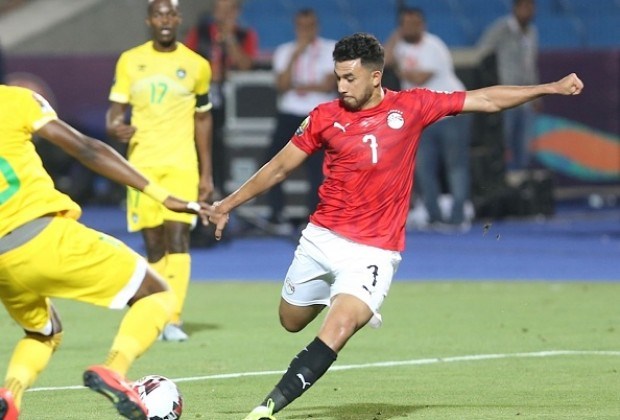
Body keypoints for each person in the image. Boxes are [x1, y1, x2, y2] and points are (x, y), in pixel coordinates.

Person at [205, 32, 583, 420]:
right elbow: (280, 166)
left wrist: (549, 88)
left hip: (374, 251)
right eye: (338, 77)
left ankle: (267, 407)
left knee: (339, 326)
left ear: (375, 77)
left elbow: (485, 99)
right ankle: (343, 295)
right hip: (321, 239)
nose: (341, 86)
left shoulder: (412, 106)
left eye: (349, 78)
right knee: (291, 321)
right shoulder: (324, 117)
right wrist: (227, 204)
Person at [0, 84, 207, 420]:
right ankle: (115, 371)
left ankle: (10, 394)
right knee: (157, 293)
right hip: (43, 234)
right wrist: (162, 195)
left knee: (42, 332)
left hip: (3, 264)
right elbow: (87, 150)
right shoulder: (13, 100)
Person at [106, 0, 214, 342]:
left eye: (170, 14)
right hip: (141, 167)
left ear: (178, 19)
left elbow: (203, 118)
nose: (164, 20)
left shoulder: (197, 65)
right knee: (153, 245)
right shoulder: (129, 60)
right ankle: (156, 312)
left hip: (182, 164)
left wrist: (206, 173)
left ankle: (173, 318)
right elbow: (115, 110)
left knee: (178, 238)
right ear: (149, 21)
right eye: (158, 14)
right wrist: (114, 126)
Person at [385, 7, 472, 230]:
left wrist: (400, 69)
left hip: (451, 113)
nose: (410, 27)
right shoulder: (401, 46)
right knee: (424, 168)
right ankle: (434, 216)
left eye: (414, 23)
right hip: (423, 118)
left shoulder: (433, 46)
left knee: (455, 166)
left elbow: (419, 78)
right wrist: (396, 36)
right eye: (405, 24)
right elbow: (384, 60)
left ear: (423, 25)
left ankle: (457, 217)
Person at [265, 8, 336, 234]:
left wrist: (300, 86)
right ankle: (277, 215)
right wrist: (297, 54)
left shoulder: (330, 49)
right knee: (272, 163)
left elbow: (328, 85)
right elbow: (282, 85)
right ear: (296, 27)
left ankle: (314, 219)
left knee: (318, 169)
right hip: (289, 114)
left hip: (318, 115)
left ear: (317, 26)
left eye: (310, 26)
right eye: (302, 27)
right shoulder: (285, 51)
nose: (306, 31)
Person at [185, 0, 258, 196]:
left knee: (221, 147)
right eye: (220, 9)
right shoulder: (199, 32)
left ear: (237, 11)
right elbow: (185, 63)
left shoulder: (245, 35)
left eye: (229, 9)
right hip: (200, 98)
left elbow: (245, 65)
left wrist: (230, 38)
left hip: (233, 105)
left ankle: (221, 191)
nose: (224, 14)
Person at [477, 0, 539, 171]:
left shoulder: (532, 32)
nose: (528, 11)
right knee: (505, 139)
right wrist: (493, 81)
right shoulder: (502, 29)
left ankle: (520, 177)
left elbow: (531, 63)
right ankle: (505, 177)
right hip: (507, 93)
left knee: (524, 143)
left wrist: (537, 93)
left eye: (531, 7)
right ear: (515, 8)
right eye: (524, 7)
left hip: (527, 96)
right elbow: (482, 52)